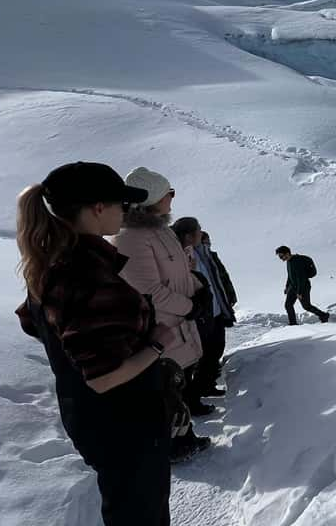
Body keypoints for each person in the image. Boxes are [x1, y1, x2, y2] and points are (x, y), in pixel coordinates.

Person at [15, 162, 180, 525]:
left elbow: (34, 323)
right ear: (97, 208)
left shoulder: (52, 263)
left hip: (94, 421)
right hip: (124, 426)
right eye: (120, 202)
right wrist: (156, 344)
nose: (126, 210)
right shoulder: (87, 275)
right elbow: (103, 377)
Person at [112, 167, 212, 461]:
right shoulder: (131, 238)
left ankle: (184, 438)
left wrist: (199, 289)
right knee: (165, 391)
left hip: (179, 324)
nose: (172, 198)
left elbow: (181, 272)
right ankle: (168, 448)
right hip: (163, 329)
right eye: (169, 193)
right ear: (153, 198)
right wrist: (190, 307)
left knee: (175, 388)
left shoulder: (161, 232)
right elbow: (149, 290)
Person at [171, 219, 233, 398]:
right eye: (198, 230)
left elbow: (218, 278)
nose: (202, 232)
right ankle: (192, 396)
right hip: (198, 315)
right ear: (188, 236)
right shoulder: (178, 256)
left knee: (214, 351)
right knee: (196, 357)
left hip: (214, 312)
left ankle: (206, 386)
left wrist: (226, 300)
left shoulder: (203, 252)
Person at [276, 246, 330, 324]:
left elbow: (301, 278)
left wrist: (299, 292)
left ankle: (323, 315)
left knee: (306, 306)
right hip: (293, 287)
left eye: (281, 256)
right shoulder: (289, 261)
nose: (281, 259)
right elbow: (290, 275)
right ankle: (293, 323)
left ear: (287, 253)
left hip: (303, 286)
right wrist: (287, 287)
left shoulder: (297, 261)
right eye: (279, 257)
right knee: (288, 305)